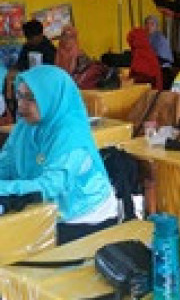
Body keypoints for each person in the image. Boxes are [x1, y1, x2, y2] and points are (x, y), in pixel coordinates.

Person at [0, 65, 118, 245]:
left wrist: (5, 189)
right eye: (19, 96)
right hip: (47, 208)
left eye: (31, 98)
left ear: (51, 97)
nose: (22, 105)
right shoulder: (25, 127)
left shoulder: (71, 134)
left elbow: (52, 186)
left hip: (84, 215)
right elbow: (6, 164)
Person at [144, 15, 174, 89]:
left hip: (162, 72)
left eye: (152, 24)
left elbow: (162, 60)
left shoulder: (160, 39)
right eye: (147, 24)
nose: (149, 26)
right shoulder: (146, 38)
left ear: (157, 27)